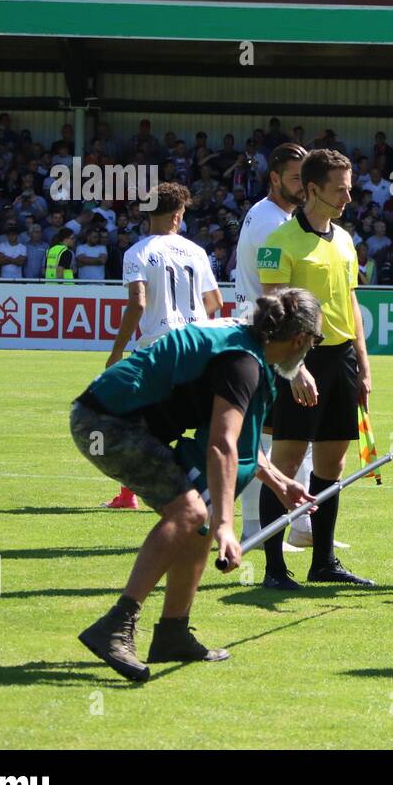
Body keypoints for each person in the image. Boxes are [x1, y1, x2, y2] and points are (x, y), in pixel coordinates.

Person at [73, 288, 321, 681]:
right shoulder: (243, 364)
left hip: (111, 418)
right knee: (191, 512)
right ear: (300, 340)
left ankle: (172, 632)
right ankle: (115, 625)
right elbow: (222, 445)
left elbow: (238, 439)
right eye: (313, 342)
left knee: (197, 516)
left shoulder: (246, 347)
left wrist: (278, 481)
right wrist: (225, 524)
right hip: (106, 423)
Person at [258, 149, 373, 589]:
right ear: (311, 189)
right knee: (286, 461)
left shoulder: (345, 240)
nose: (347, 196)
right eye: (339, 189)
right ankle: (273, 568)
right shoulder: (280, 243)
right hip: (299, 358)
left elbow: (351, 304)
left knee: (333, 462)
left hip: (341, 359)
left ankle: (323, 562)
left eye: (349, 188)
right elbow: (275, 311)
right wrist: (295, 365)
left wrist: (363, 365)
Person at [103, 183, 223, 510]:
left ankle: (132, 495)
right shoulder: (197, 252)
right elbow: (214, 301)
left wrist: (117, 352)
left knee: (131, 420)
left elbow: (137, 304)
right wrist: (191, 318)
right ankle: (206, 491)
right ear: (176, 216)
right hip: (199, 347)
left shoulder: (138, 252)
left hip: (159, 348)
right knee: (204, 422)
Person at [234, 143, 315, 551]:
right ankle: (253, 528)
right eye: (297, 177)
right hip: (267, 341)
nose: (304, 185)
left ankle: (301, 527)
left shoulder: (279, 218)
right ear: (275, 178)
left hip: (274, 340)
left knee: (296, 437)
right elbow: (273, 295)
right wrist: (294, 363)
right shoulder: (270, 223)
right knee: (266, 441)